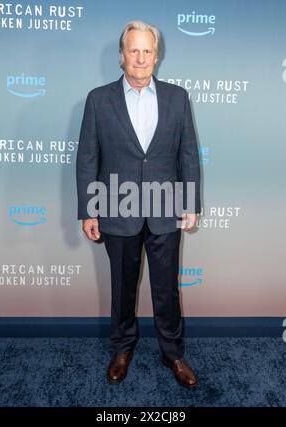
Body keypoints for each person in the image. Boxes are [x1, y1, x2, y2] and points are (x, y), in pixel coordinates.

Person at [76, 20, 201, 389]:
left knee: (166, 289)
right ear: (122, 55)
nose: (141, 57)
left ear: (156, 56)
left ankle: (172, 352)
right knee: (123, 287)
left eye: (147, 50)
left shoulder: (178, 97)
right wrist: (88, 209)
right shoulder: (98, 99)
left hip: (165, 210)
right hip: (117, 209)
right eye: (134, 50)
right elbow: (87, 158)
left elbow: (188, 154)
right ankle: (122, 348)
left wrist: (190, 202)